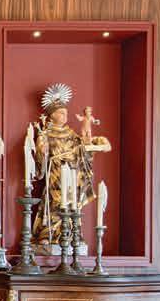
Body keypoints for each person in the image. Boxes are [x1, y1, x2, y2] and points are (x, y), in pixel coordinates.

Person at [32, 83, 110, 250]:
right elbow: (40, 155)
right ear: (52, 115)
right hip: (55, 174)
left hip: (72, 173)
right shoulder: (45, 133)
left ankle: (71, 234)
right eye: (61, 113)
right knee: (55, 202)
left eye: (66, 113)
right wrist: (42, 152)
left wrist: (97, 142)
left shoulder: (70, 133)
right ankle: (48, 233)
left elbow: (82, 146)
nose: (65, 116)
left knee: (72, 202)